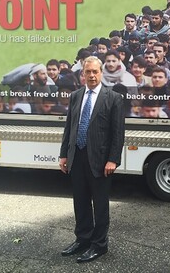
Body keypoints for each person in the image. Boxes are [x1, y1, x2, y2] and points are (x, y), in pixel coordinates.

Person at [59, 56, 125, 263]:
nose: (92, 75)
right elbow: (69, 127)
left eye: (95, 72)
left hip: (100, 160)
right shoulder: (76, 96)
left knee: (100, 204)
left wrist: (113, 160)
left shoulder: (113, 98)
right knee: (80, 201)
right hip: (77, 156)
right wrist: (63, 154)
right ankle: (83, 239)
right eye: (88, 72)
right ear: (83, 74)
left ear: (101, 73)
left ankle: (99, 245)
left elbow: (118, 133)